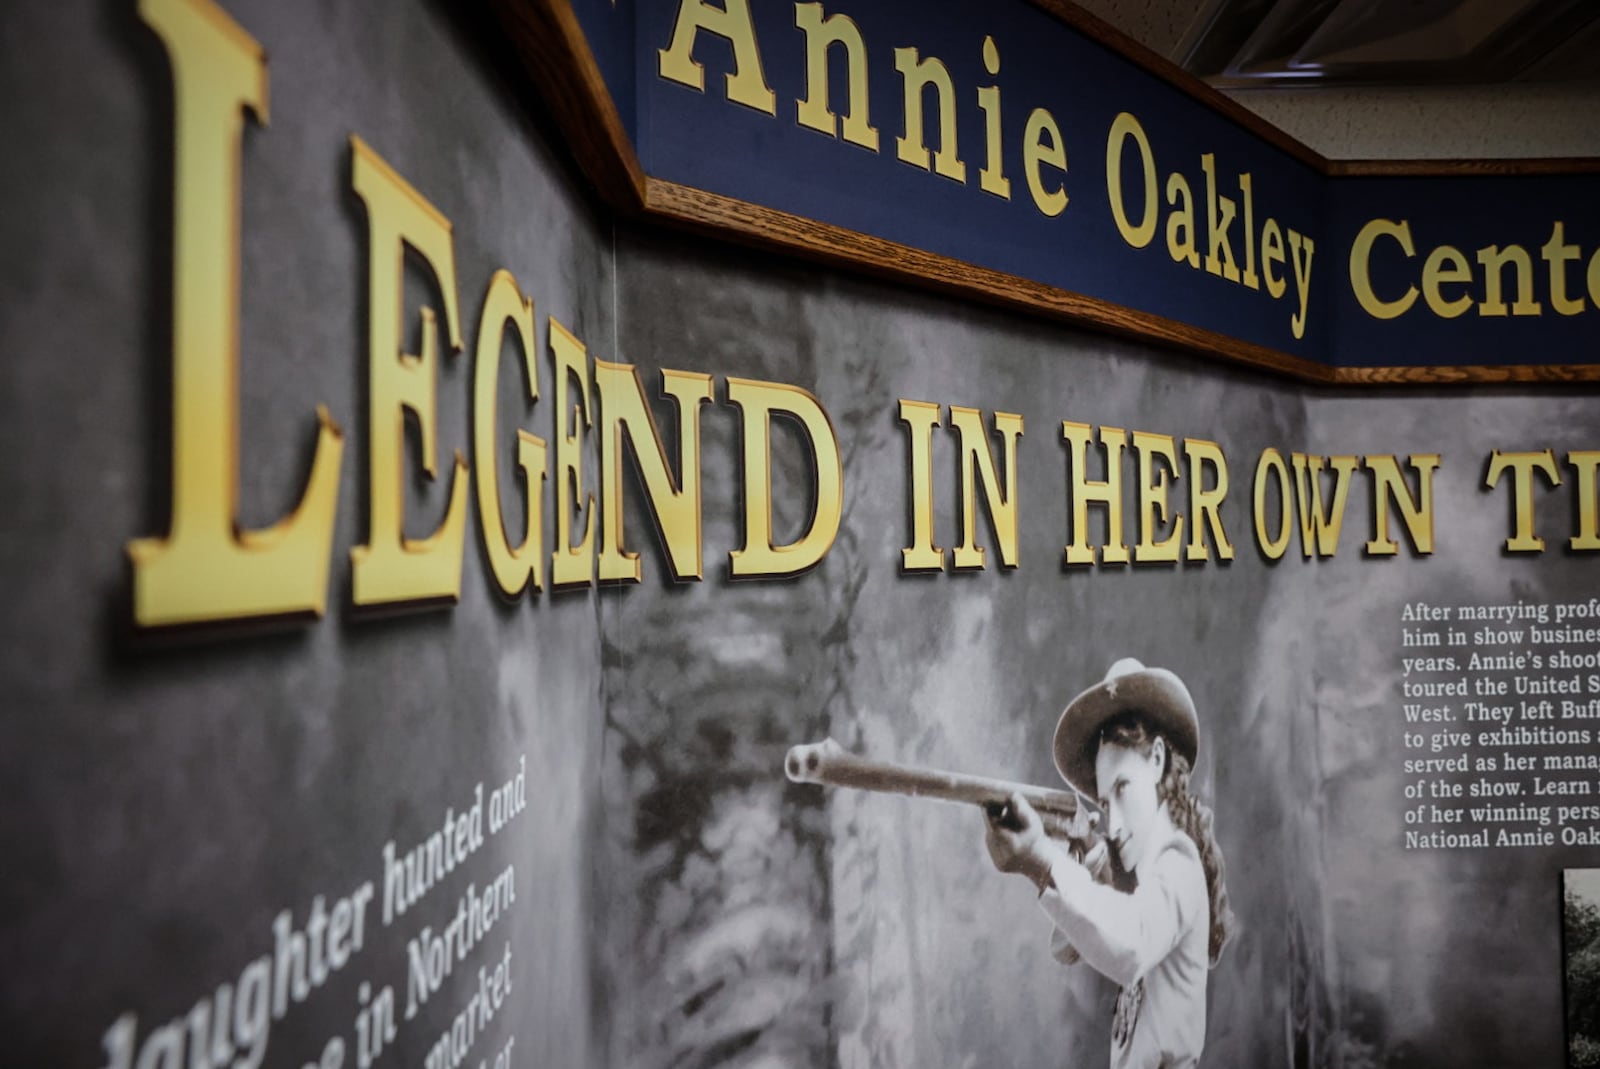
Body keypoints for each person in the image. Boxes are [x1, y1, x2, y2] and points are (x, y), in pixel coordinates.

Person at [983, 657, 1234, 1069]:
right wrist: (1069, 863)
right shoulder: (1147, 884)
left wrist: (1043, 859)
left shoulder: (1179, 861)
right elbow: (1069, 946)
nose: (1113, 823)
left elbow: (1130, 943)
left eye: (1122, 789)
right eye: (1103, 802)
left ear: (1156, 761)